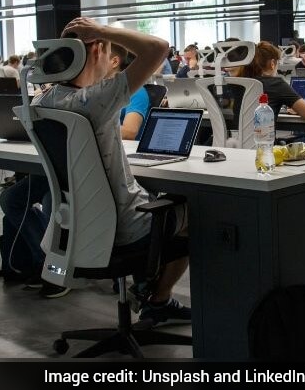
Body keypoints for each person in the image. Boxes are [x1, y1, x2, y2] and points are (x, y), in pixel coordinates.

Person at [38, 17, 191, 327]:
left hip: (78, 228)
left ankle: (145, 286)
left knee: (154, 200)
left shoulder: (44, 101)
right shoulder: (94, 99)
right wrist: (102, 31)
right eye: (108, 51)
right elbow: (159, 48)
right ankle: (158, 299)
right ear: (97, 51)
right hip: (126, 228)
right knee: (197, 210)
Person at [242, 41, 305, 121]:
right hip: (264, 129)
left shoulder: (241, 81)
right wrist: (298, 108)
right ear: (272, 64)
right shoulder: (276, 84)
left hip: (239, 129)